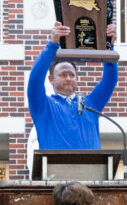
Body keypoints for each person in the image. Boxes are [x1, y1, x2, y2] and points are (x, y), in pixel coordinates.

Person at [27, 21, 118, 150]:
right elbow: (35, 79)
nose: (69, 78)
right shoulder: (43, 106)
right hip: (55, 168)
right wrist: (52, 45)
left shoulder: (90, 104)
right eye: (63, 75)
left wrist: (108, 46)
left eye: (72, 75)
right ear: (51, 79)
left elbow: (110, 79)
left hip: (91, 168)